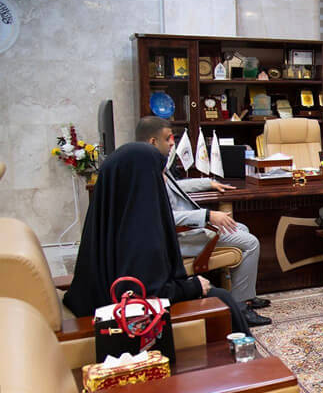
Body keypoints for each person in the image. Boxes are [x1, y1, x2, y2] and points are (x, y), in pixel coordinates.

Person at [64, 142, 251, 335]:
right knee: (221, 299)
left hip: (101, 304)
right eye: (160, 173)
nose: (164, 179)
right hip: (126, 324)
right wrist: (193, 287)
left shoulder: (111, 215)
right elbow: (145, 293)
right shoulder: (139, 232)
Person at [135, 117, 271, 327]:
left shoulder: (153, 165)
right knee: (250, 242)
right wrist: (207, 216)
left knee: (241, 228)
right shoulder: (144, 174)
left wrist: (208, 183)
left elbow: (176, 186)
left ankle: (245, 296)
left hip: (186, 230)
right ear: (153, 141)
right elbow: (161, 217)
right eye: (168, 138)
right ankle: (241, 307)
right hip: (179, 237)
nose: (172, 143)